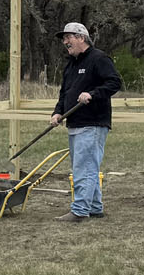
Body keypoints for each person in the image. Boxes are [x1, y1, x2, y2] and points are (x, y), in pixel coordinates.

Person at [50, 21, 122, 221]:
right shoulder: (71, 64)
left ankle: (80, 210)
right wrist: (57, 113)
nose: (65, 42)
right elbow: (64, 93)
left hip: (92, 123)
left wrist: (92, 94)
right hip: (75, 123)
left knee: (85, 168)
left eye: (68, 37)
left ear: (81, 38)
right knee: (86, 166)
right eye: (64, 39)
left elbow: (114, 82)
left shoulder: (98, 58)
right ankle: (94, 208)